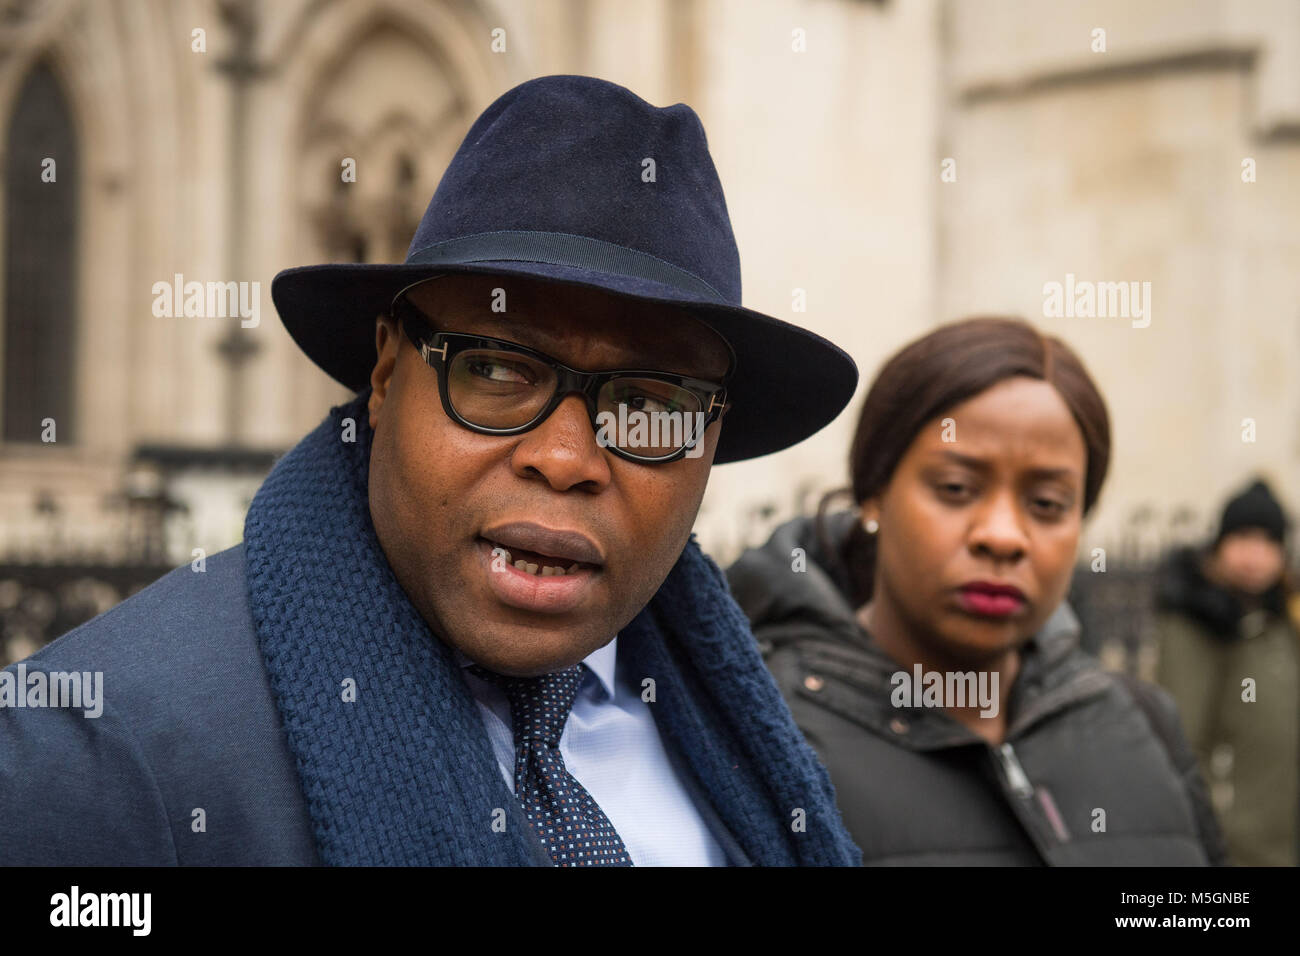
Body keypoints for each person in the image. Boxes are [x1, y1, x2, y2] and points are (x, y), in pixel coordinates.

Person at [0, 75, 863, 866]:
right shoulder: (99, 752)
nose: (564, 460)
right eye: (493, 368)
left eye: (649, 400)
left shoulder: (755, 749)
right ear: (383, 376)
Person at [726, 317, 1226, 865]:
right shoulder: (761, 736)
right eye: (957, 489)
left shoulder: (1144, 725)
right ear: (874, 496)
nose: (1004, 537)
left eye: (1048, 505)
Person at [1149, 478, 1299, 866]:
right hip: (1232, 850)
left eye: (1269, 542)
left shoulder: (1279, 619)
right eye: (1244, 537)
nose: (1256, 554)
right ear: (1221, 543)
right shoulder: (1194, 621)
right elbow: (1181, 742)